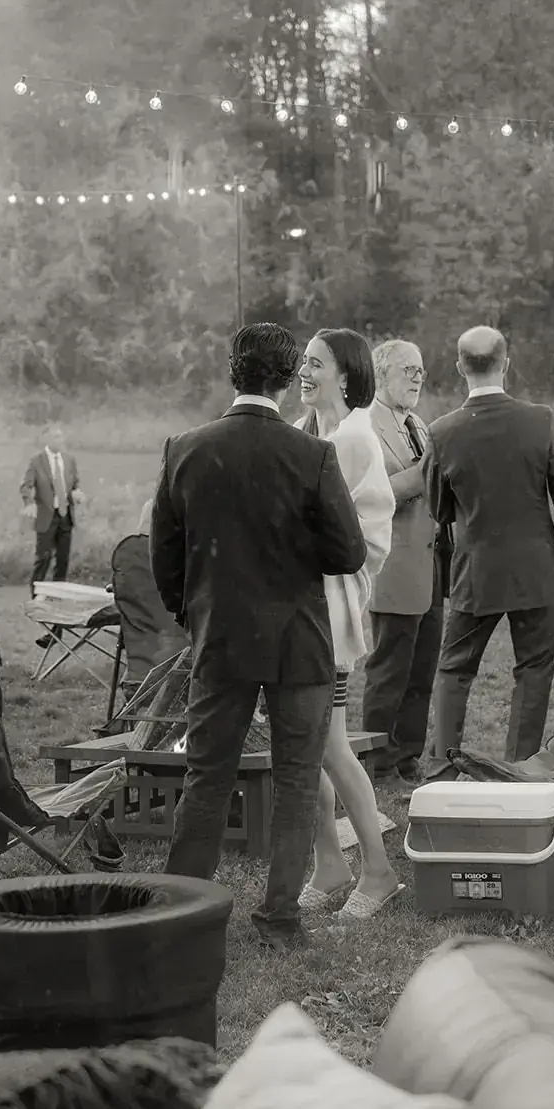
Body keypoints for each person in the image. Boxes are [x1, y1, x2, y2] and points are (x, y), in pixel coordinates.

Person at [151, 322, 366, 950]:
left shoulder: (185, 448)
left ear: (232, 372)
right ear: (287, 377)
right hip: (297, 640)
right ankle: (278, 917)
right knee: (297, 779)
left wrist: (192, 612)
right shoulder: (312, 456)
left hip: (218, 636)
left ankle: (183, 910)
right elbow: (349, 552)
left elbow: (165, 557)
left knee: (206, 774)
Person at [424, 326, 554, 765]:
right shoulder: (541, 420)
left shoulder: (442, 432)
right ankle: (520, 770)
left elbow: (439, 507)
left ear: (460, 367)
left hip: (475, 570)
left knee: (456, 668)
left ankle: (442, 768)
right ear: (506, 364)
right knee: (533, 672)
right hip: (537, 567)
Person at [294, 328, 402, 921]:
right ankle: (330, 862)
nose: (304, 372)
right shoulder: (314, 432)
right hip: (305, 609)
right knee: (308, 747)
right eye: (304, 363)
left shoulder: (353, 438)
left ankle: (379, 872)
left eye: (316, 364)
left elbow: (356, 540)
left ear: (346, 374)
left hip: (327, 614)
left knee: (330, 745)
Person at [363, 339, 446, 788]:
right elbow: (375, 493)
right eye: (407, 370)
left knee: (421, 668)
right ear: (381, 375)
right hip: (392, 566)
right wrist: (426, 472)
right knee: (390, 669)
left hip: (431, 564)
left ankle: (407, 757)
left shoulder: (419, 423)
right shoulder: (364, 426)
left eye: (421, 370)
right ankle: (377, 762)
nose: (418, 377)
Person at [20, 424, 84, 593]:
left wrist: (76, 493)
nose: (60, 440)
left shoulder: (69, 460)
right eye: (56, 437)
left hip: (65, 515)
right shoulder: (36, 461)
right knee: (43, 559)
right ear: (46, 439)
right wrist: (29, 503)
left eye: (61, 436)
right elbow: (26, 486)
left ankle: (58, 598)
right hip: (46, 516)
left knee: (63, 560)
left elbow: (75, 482)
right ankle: (36, 597)